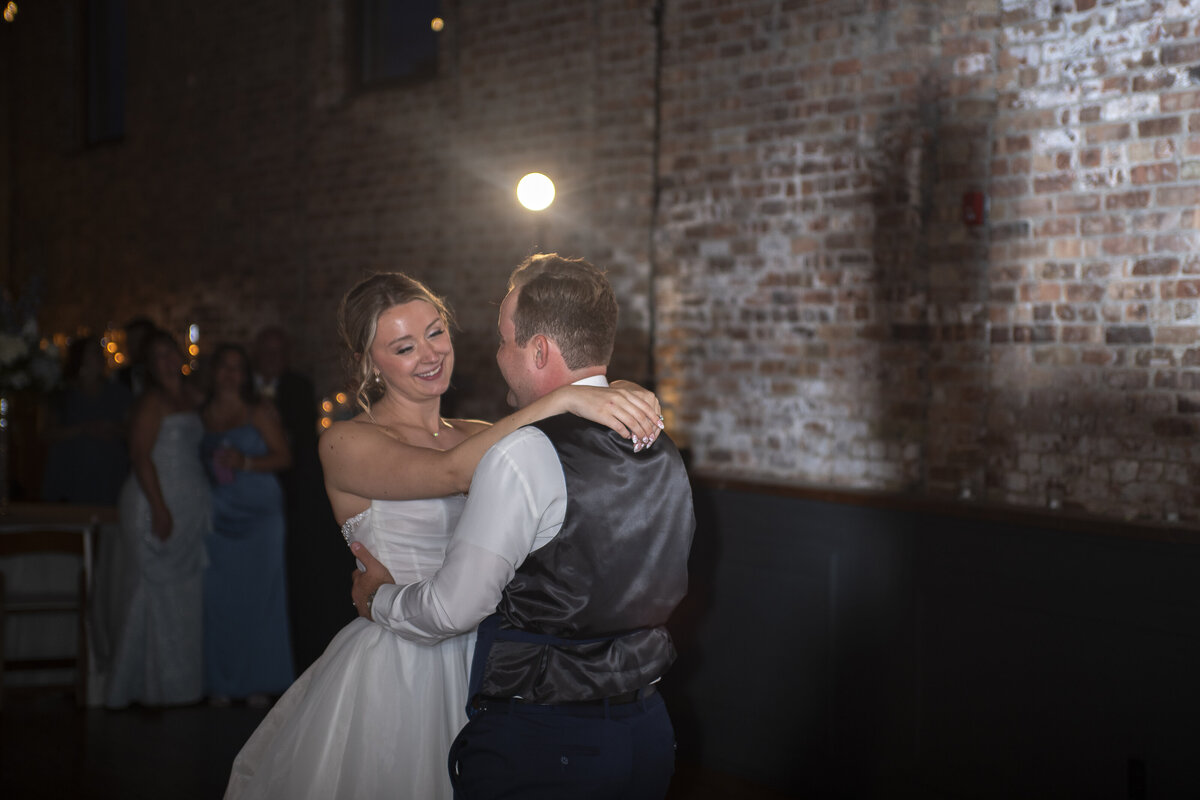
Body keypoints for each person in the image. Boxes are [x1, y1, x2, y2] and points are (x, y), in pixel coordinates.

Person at [224, 272, 663, 800]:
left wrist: (621, 390)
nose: (430, 354)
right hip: (400, 660)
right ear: (370, 362)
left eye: (435, 332)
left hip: (492, 657)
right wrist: (566, 398)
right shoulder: (346, 441)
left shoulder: (481, 432)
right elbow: (449, 473)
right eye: (404, 347)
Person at [351, 254, 695, 799]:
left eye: (505, 340)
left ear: (538, 351)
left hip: (548, 739)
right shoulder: (658, 441)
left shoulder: (522, 454)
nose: (497, 355)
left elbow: (451, 608)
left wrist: (379, 601)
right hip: (646, 730)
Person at [104, 329, 211, 709]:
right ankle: (139, 686)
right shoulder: (150, 402)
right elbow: (139, 455)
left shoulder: (192, 397)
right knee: (148, 591)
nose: (168, 360)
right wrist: (160, 508)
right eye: (160, 355)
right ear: (150, 365)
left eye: (172, 352)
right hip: (153, 501)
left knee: (182, 597)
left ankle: (177, 686)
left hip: (189, 505)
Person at [252, 325, 354, 673]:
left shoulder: (298, 386)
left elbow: (300, 440)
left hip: (288, 491)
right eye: (267, 351)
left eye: (278, 351)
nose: (272, 358)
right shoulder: (241, 388)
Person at [201, 343, 295, 706]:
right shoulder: (202, 412)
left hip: (260, 514)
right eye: (224, 366)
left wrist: (245, 462)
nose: (230, 374)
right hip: (218, 514)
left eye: (238, 368)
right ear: (214, 371)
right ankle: (220, 682)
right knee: (219, 600)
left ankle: (260, 681)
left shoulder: (258, 412)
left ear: (245, 375)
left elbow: (285, 457)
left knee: (261, 600)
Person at [41, 336, 133, 505]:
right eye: (94, 352)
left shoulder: (119, 394)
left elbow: (135, 431)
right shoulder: (63, 395)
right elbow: (47, 433)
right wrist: (82, 429)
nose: (100, 355)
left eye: (100, 351)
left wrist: (113, 429)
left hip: (110, 474)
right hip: (73, 472)